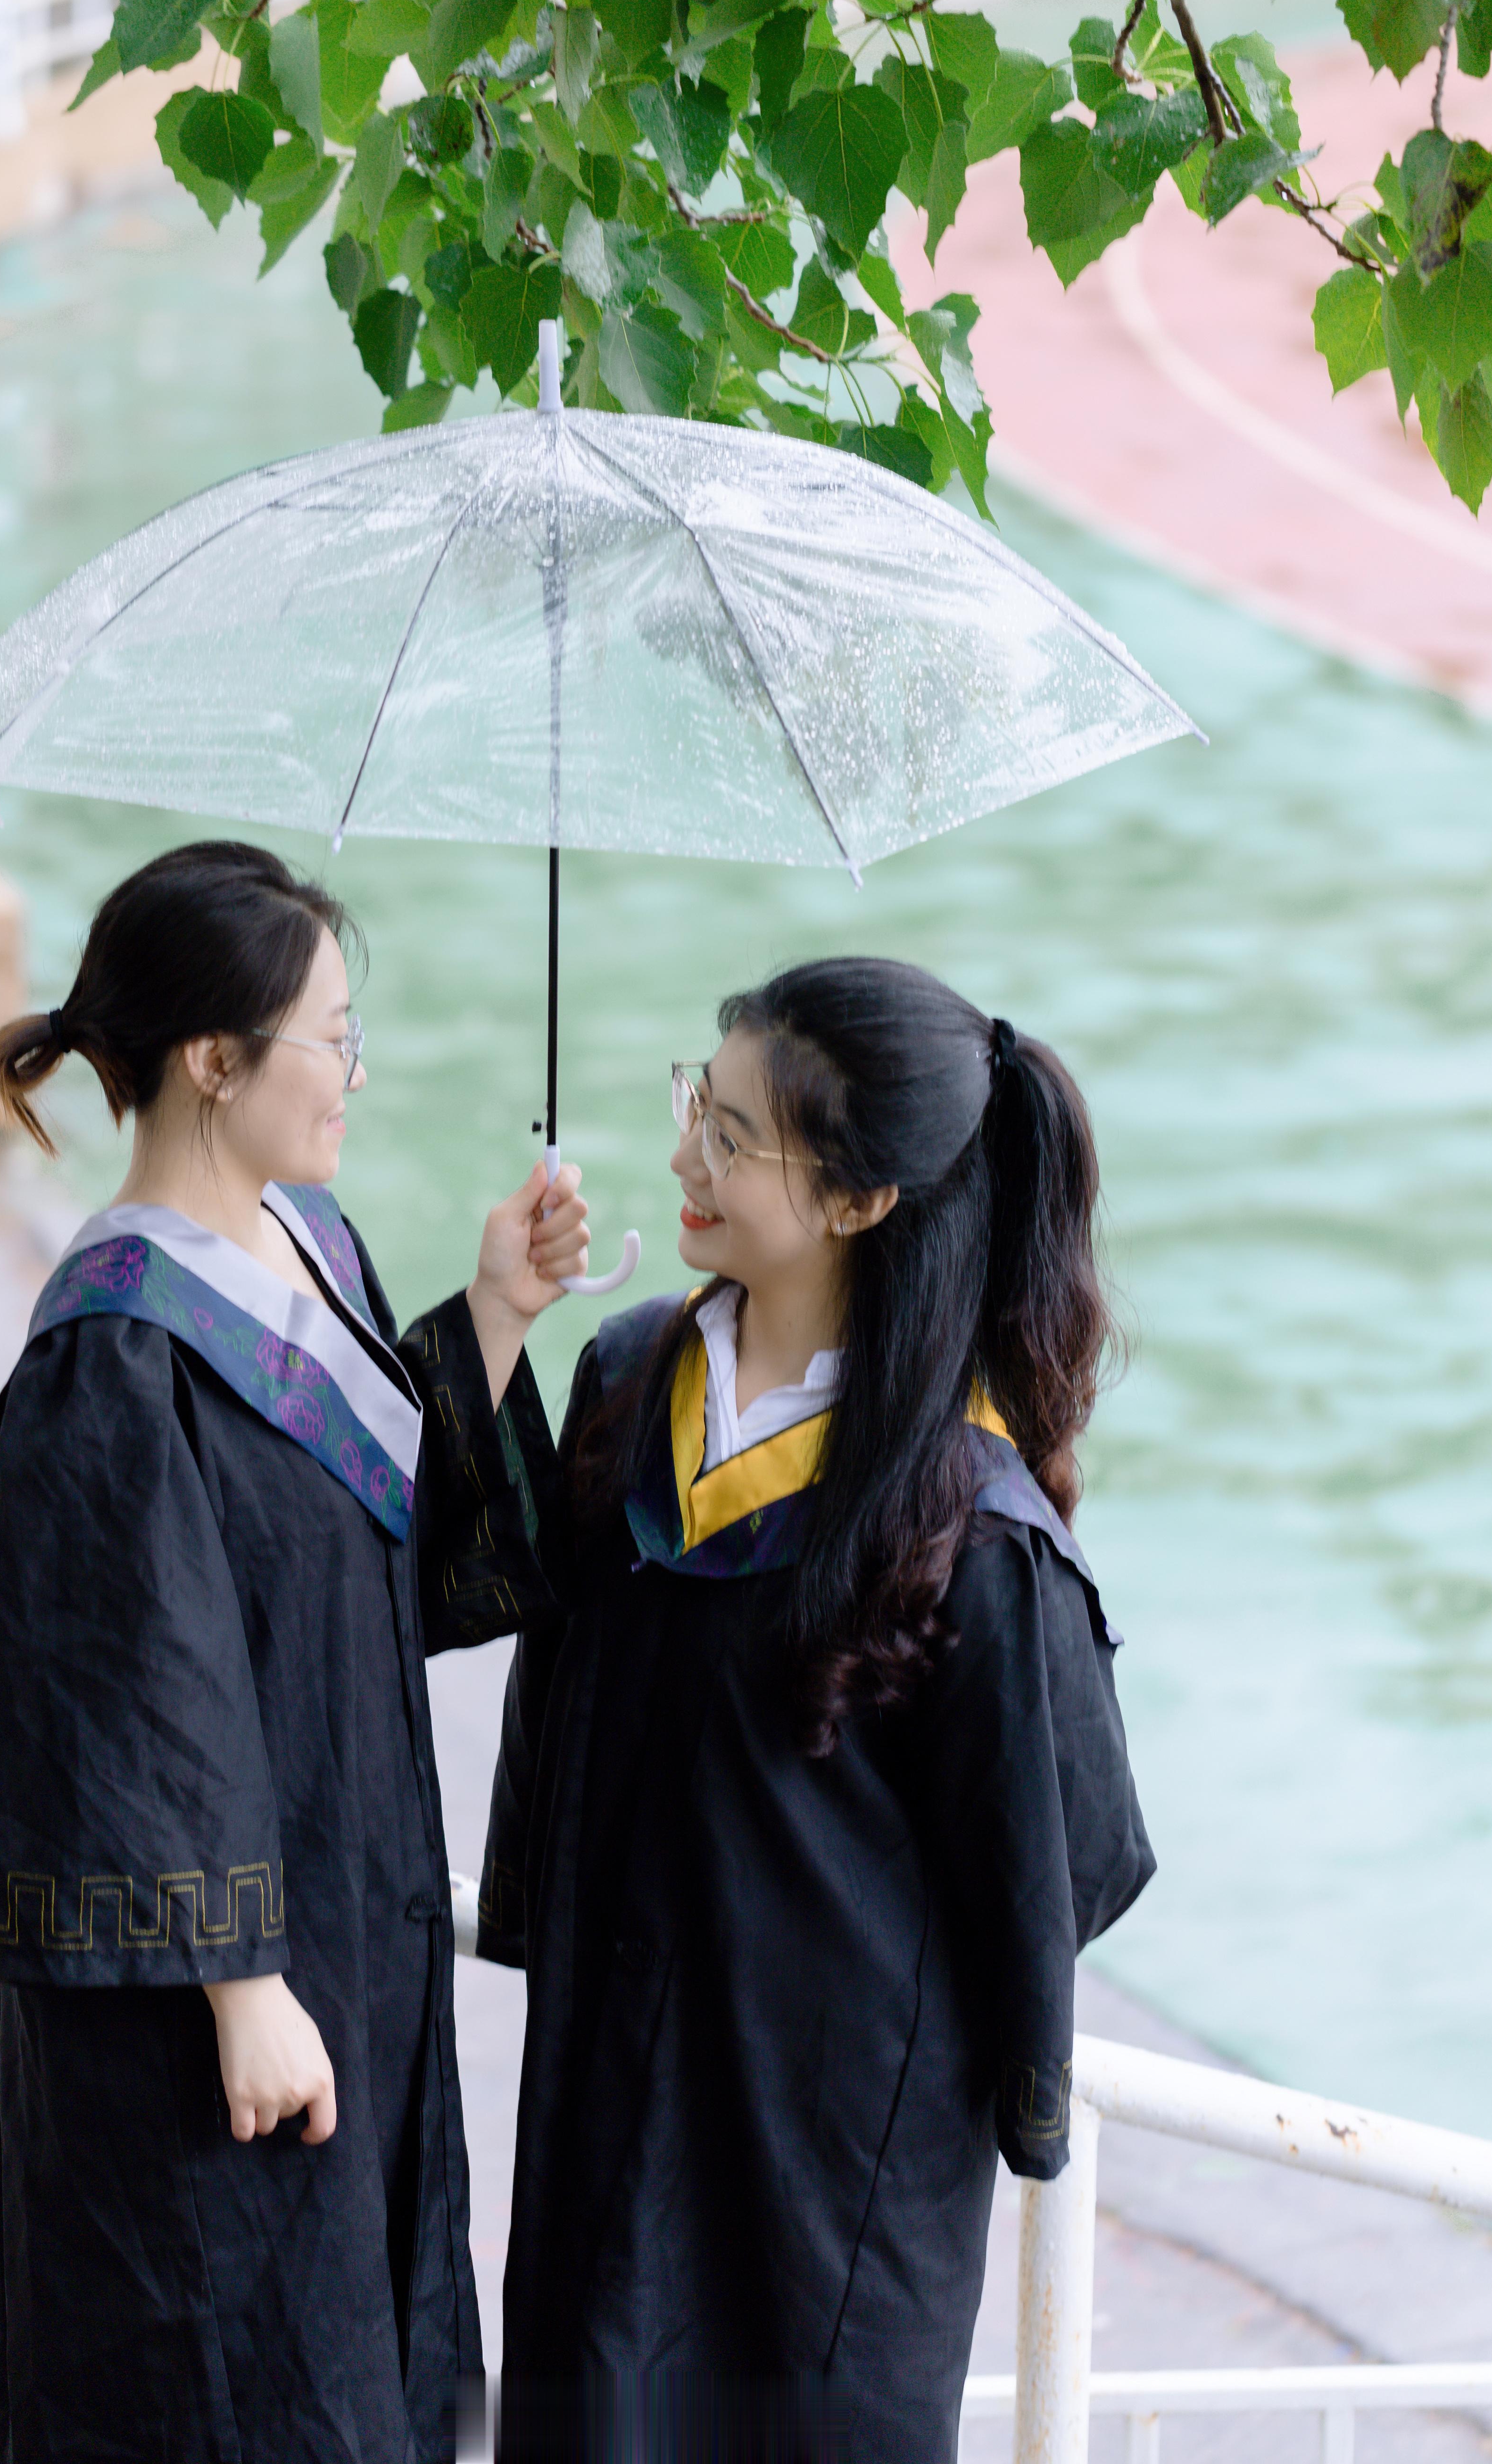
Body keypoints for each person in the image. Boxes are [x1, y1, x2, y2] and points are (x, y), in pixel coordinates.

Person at [0, 840, 587, 2464]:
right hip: (214, 2013)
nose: (356, 1071)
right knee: (227, 2376)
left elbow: (355, 1564)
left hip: (343, 1930)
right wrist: (240, 1987)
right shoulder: (112, 1349)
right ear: (217, 1065)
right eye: (332, 1038)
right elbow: (130, 1686)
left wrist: (491, 1319)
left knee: (358, 2359)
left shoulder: (315, 1250)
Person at [479, 957, 1155, 2464]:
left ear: (860, 1203)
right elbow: (522, 1642)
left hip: (821, 2168)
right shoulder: (627, 1376)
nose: (681, 1162)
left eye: (731, 1139)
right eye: (692, 1110)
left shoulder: (966, 1524)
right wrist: (493, 1324)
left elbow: (1068, 1855)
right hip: (607, 2099)